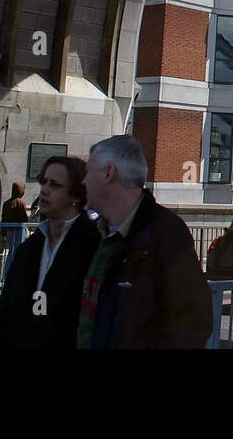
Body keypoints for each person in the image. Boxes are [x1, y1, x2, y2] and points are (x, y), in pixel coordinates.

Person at [78, 135, 212, 348]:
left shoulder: (166, 234)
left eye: (88, 172)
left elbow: (190, 325)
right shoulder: (91, 234)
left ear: (108, 173)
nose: (83, 181)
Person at [0, 156, 100, 348]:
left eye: (55, 185)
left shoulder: (94, 245)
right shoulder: (29, 248)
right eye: (44, 182)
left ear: (76, 194)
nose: (45, 190)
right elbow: (6, 316)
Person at [0, 181, 30, 275]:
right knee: (17, 253)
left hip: (9, 231)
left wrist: (3, 233)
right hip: (18, 231)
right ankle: (12, 274)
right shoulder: (20, 203)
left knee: (11, 252)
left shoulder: (6, 203)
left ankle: (7, 273)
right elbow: (25, 217)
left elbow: (3, 218)